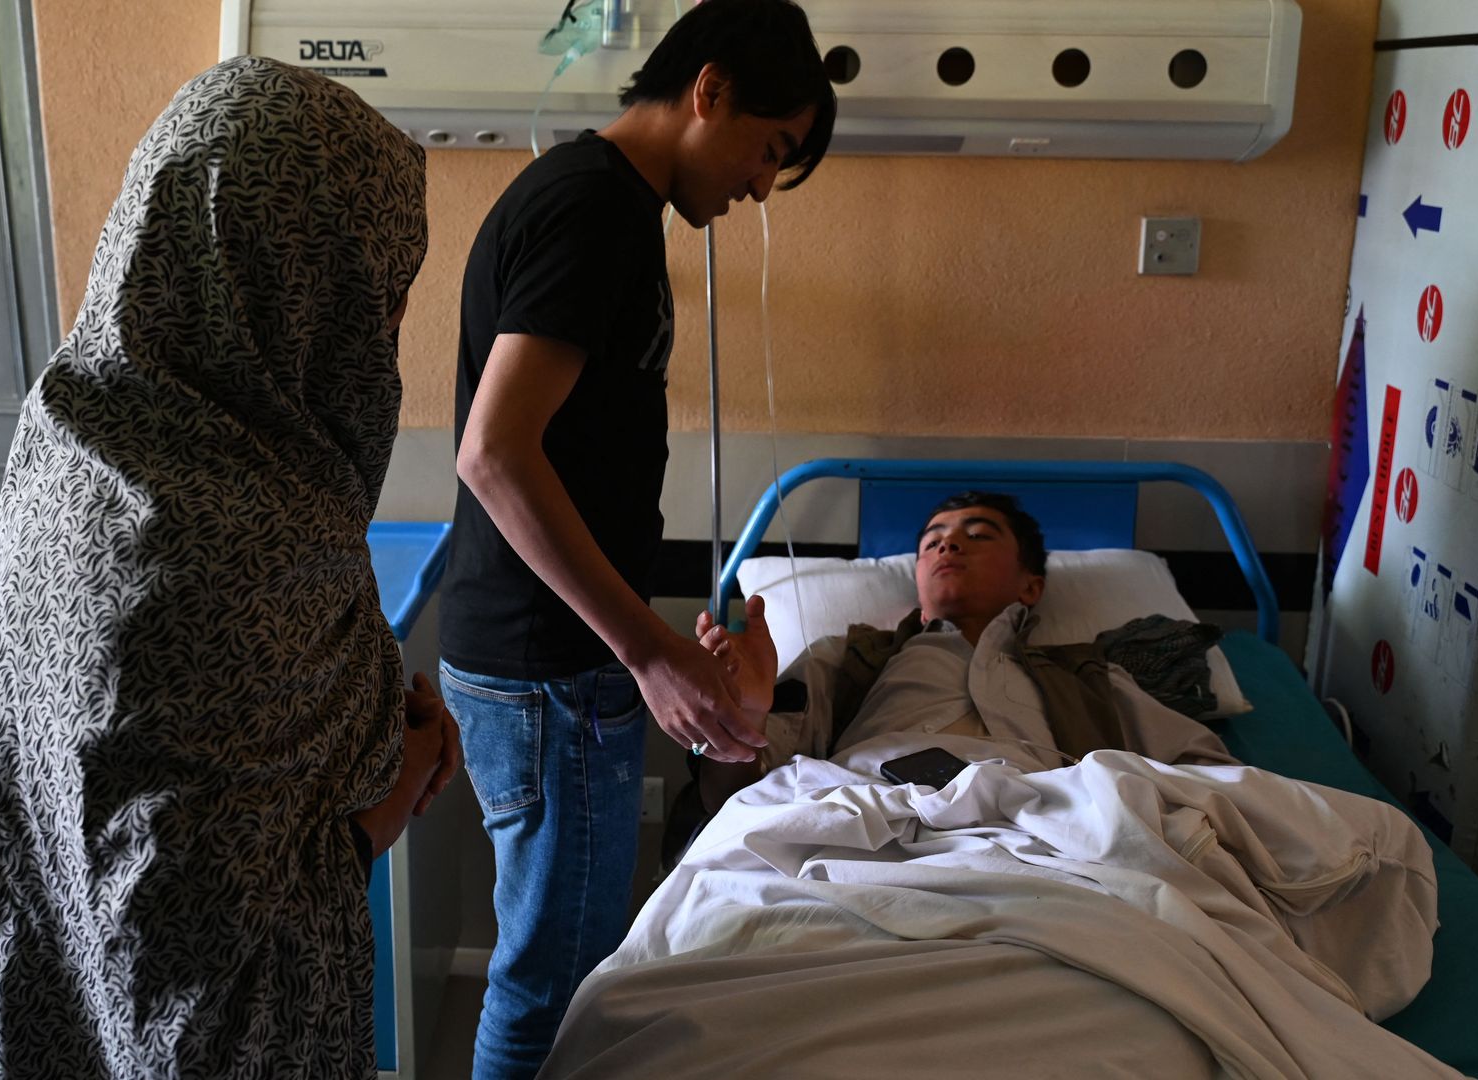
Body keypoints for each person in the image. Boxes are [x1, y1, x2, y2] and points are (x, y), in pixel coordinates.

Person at [0, 57, 459, 1080]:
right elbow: (202, 1018)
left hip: (1, 1011)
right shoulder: (239, 551)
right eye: (378, 297)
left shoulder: (76, 437)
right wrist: (395, 790)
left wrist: (377, 737)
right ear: (300, 289)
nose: (386, 338)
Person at [432, 1, 837, 1075]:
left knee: (568, 964)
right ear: (708, 91)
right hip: (547, 671)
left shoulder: (604, 205)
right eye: (769, 149)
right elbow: (495, 455)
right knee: (552, 984)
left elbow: (560, 456)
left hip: (551, 659)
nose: (760, 185)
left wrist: (652, 639)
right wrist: (644, 651)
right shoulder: (593, 211)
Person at [691, 492, 1237, 818]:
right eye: (933, 541)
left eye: (977, 535)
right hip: (865, 808)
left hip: (1049, 819)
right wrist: (743, 718)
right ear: (919, 578)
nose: (948, 545)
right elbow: (739, 796)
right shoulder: (849, 658)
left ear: (1030, 586)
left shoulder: (1089, 676)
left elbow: (1209, 779)